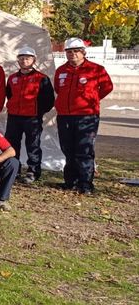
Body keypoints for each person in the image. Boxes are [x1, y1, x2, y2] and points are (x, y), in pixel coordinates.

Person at [54, 37, 113, 195]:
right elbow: (58, 89)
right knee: (68, 149)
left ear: (83, 52)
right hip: (65, 116)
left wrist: (92, 99)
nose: (72, 54)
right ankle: (70, 181)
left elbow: (107, 87)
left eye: (75, 51)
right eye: (69, 52)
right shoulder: (61, 71)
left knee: (84, 149)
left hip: (86, 116)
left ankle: (85, 183)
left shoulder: (96, 69)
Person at [5, 46, 55, 185]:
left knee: (32, 145)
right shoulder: (12, 78)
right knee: (12, 145)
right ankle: (13, 170)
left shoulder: (41, 78)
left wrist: (38, 112)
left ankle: (33, 171)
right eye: (21, 58)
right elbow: (9, 95)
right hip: (14, 116)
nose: (24, 60)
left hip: (32, 118)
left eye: (27, 58)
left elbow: (49, 100)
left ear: (34, 60)